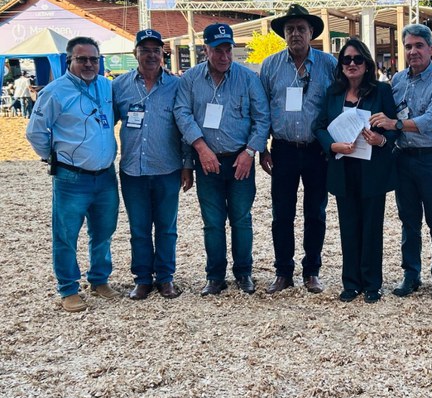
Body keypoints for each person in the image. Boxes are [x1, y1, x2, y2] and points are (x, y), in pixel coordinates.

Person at [174, 23, 270, 296]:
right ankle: (215, 276)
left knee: (241, 219)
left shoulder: (248, 78)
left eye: (228, 49)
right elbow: (182, 114)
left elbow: (262, 118)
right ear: (205, 49)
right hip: (208, 162)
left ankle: (244, 273)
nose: (224, 56)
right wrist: (200, 150)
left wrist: (250, 152)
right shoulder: (190, 80)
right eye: (218, 50)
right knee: (213, 222)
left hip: (240, 160)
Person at [26, 37, 120, 312]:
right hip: (71, 178)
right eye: (82, 59)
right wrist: (50, 156)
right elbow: (35, 132)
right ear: (70, 61)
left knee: (103, 231)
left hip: (105, 175)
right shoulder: (55, 92)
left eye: (94, 58)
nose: (89, 64)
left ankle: (99, 279)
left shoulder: (106, 86)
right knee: (66, 234)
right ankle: (68, 288)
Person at [369, 24, 432, 301]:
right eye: (408, 46)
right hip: (403, 158)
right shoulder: (397, 81)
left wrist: (395, 123)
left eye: (419, 45)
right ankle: (411, 274)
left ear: (431, 48)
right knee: (408, 220)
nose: (414, 51)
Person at [259, 4, 337, 294]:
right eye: (290, 29)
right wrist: (262, 148)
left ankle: (312, 271)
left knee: (316, 212)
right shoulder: (270, 66)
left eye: (301, 29)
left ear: (311, 32)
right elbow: (263, 109)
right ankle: (283, 272)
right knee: (282, 213)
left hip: (317, 150)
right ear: (284, 34)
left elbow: (337, 105)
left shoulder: (328, 64)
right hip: (283, 149)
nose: (295, 34)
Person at [314, 39, 397, 304]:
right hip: (343, 166)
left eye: (357, 59)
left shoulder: (382, 91)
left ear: (367, 64)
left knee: (372, 227)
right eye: (346, 59)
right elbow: (319, 127)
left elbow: (393, 129)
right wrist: (331, 145)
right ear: (340, 65)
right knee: (348, 227)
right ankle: (351, 283)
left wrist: (381, 140)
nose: (352, 64)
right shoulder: (333, 93)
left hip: (372, 169)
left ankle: (372, 283)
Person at [113, 29, 194, 301]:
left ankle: (166, 278)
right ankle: (142, 279)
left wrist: (187, 165)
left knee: (167, 227)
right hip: (132, 170)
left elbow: (183, 127)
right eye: (145, 50)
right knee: (138, 228)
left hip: (167, 168)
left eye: (156, 50)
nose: (151, 55)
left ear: (163, 54)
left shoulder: (176, 85)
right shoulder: (120, 86)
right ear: (135, 53)